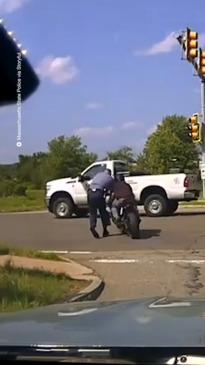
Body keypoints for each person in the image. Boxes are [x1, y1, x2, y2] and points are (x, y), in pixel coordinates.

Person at [87, 169, 114, 239]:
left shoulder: (98, 174)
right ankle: (105, 230)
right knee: (103, 212)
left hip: (90, 193)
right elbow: (111, 190)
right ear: (110, 173)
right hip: (98, 193)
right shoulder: (110, 178)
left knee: (93, 212)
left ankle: (92, 226)